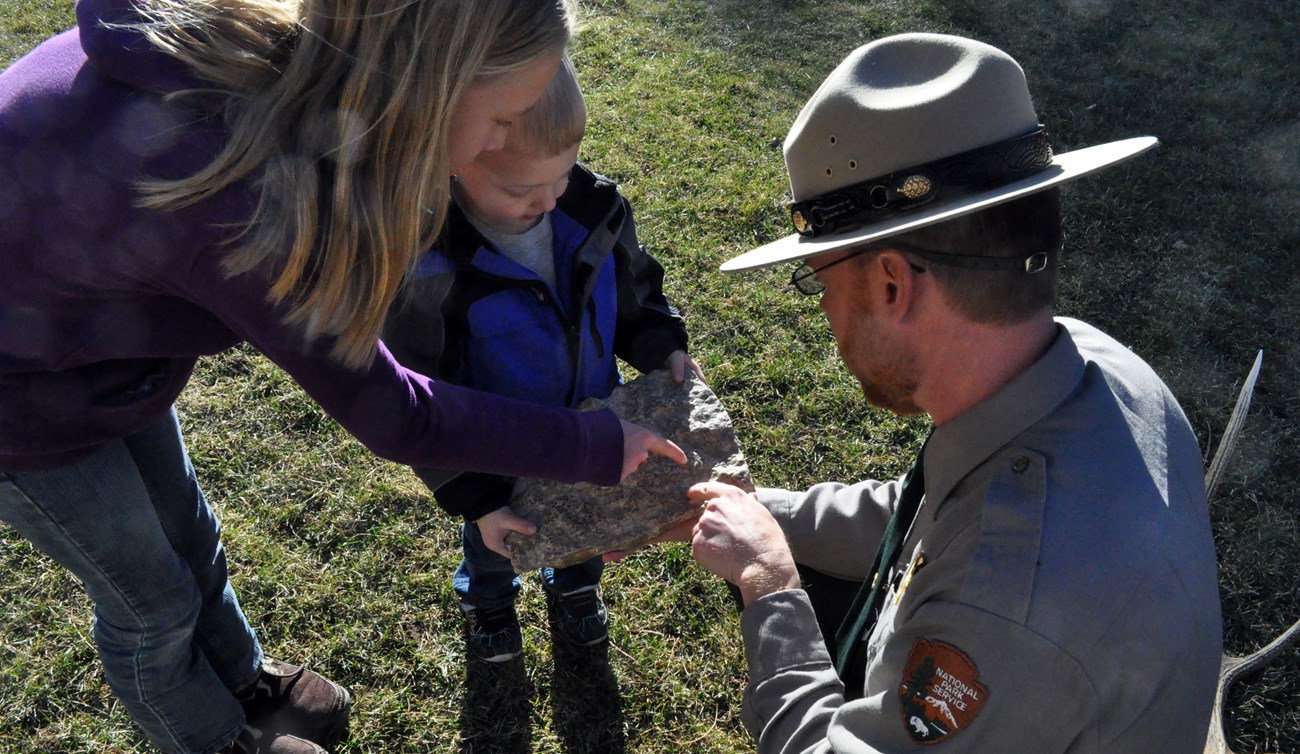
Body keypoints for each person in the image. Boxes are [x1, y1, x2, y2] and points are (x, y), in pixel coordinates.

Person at [0, 1, 685, 753]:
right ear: (429, 86)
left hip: (93, 353)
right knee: (151, 601)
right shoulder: (244, 193)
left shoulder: (291, 74)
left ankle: (244, 683)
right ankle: (212, 742)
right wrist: (593, 447)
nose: (496, 146)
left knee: (190, 534)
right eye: (503, 119)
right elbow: (395, 411)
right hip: (17, 398)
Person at [670, 33, 1223, 752]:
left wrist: (769, 584)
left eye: (821, 280)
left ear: (892, 283)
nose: (822, 311)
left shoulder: (1000, 610)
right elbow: (921, 516)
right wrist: (747, 513)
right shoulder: (1090, 362)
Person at [384, 54, 701, 665]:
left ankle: (577, 590)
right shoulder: (428, 259)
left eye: (560, 178)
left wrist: (661, 345)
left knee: (585, 524)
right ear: (454, 157)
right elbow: (422, 394)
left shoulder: (596, 210)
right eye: (521, 189)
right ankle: (490, 605)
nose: (550, 202)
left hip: (592, 422)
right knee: (494, 543)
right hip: (493, 454)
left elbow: (636, 292)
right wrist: (476, 499)